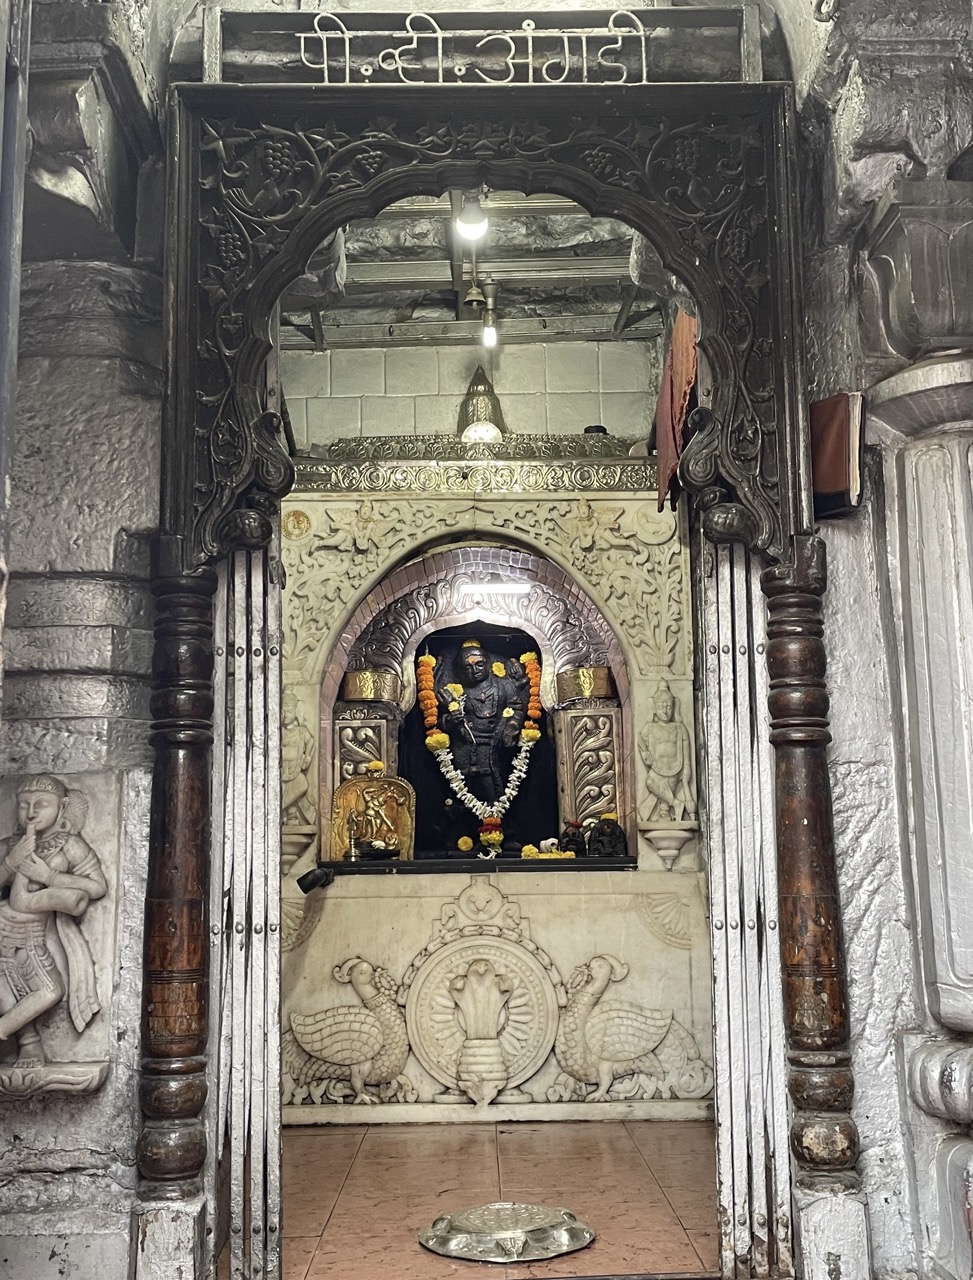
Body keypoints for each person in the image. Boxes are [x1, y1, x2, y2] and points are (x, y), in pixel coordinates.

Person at [0, 775, 107, 1066]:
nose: (31, 812)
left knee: (49, 990)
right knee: (7, 991)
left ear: (62, 807)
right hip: (4, 931)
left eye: (41, 804)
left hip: (37, 934)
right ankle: (29, 1045)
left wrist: (50, 877)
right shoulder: (9, 845)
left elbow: (97, 887)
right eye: (24, 805)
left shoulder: (69, 845)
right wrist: (10, 862)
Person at [437, 640, 529, 803]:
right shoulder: (456, 691)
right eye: (468, 667)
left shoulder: (503, 686)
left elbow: (517, 708)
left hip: (495, 747)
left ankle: (495, 822)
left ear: (488, 663)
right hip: (464, 748)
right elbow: (441, 722)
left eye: (479, 664)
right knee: (460, 793)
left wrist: (511, 728)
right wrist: (451, 720)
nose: (474, 670)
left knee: (495, 791)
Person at [638, 679, 695, 823]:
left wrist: (686, 771)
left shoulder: (680, 728)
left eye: (669, 707)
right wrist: (645, 754)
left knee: (667, 787)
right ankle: (675, 803)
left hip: (674, 769)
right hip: (656, 768)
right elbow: (640, 740)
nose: (665, 710)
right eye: (661, 706)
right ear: (654, 708)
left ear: (674, 708)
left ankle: (665, 811)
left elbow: (686, 754)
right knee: (650, 782)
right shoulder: (649, 728)